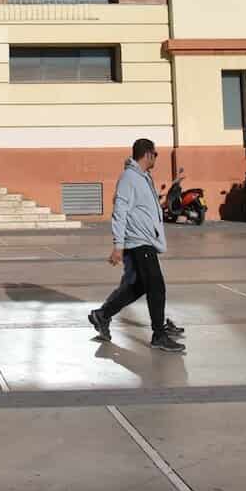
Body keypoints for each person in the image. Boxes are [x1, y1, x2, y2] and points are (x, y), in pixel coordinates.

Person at [88, 138, 186, 353]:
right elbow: (120, 211)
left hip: (146, 240)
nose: (156, 159)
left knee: (140, 286)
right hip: (138, 242)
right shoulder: (129, 178)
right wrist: (118, 245)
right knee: (157, 286)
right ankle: (158, 335)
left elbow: (148, 209)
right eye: (156, 155)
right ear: (148, 154)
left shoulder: (143, 178)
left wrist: (174, 184)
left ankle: (102, 315)